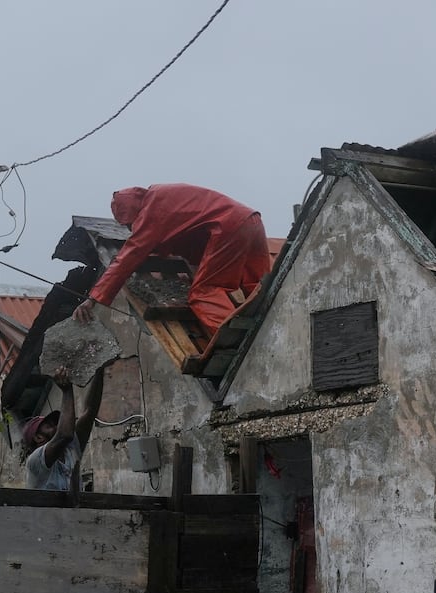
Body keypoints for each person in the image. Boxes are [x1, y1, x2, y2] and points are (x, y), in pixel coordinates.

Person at [72, 183, 270, 337]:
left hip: (229, 228)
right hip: (252, 221)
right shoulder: (167, 199)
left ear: (133, 213)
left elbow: (128, 257)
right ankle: (272, 328)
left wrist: (93, 299)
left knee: (204, 293)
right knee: (260, 289)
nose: (131, 229)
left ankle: (238, 341)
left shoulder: (152, 210)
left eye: (130, 224)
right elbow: (194, 245)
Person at [23, 366, 104, 491]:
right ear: (38, 437)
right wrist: (66, 390)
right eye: (50, 426)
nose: (56, 427)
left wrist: (99, 369)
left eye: (56, 424)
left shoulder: (69, 451)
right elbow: (65, 435)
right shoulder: (35, 461)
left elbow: (89, 412)